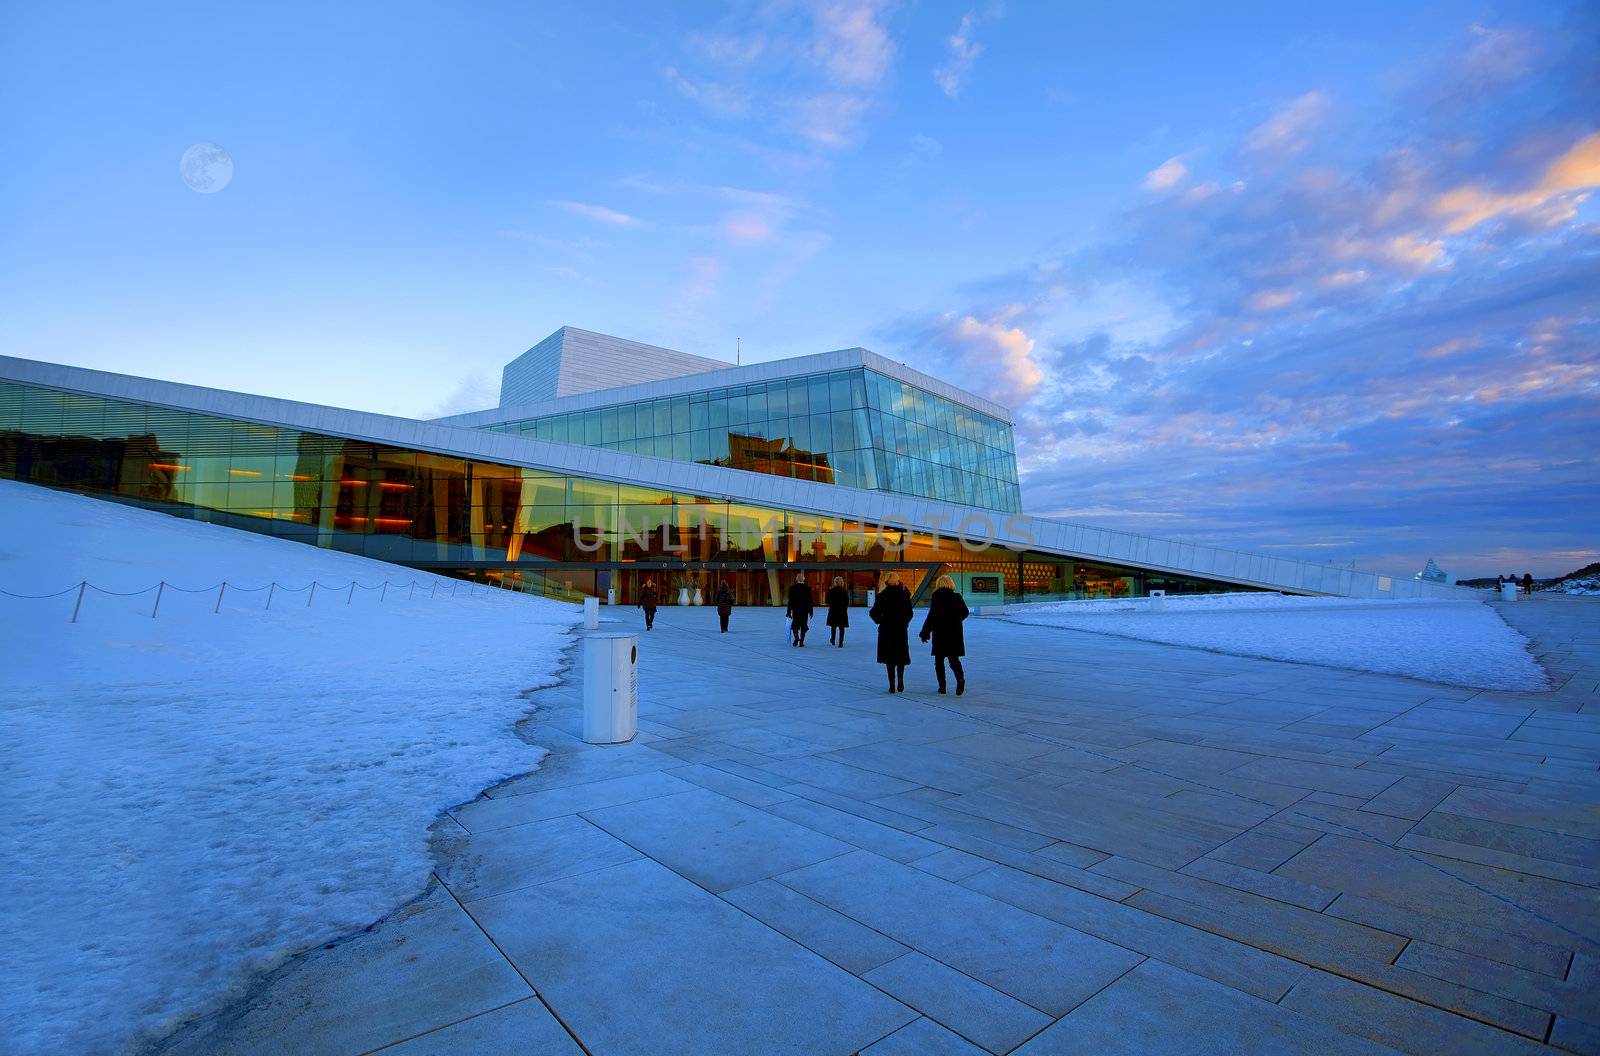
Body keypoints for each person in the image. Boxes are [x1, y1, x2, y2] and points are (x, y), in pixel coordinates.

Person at [919, 574, 969, 695]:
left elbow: (931, 616)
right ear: (951, 584)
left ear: (939, 584)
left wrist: (925, 632)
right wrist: (956, 620)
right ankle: (960, 681)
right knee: (954, 660)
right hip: (954, 633)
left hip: (940, 633)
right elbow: (965, 612)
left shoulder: (937, 598)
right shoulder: (957, 597)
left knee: (939, 661)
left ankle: (942, 687)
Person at [869, 571, 913, 692]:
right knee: (900, 656)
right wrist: (905, 623)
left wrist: (880, 620)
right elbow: (909, 613)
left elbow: (873, 613)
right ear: (897, 580)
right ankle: (900, 681)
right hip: (900, 629)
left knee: (889, 658)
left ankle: (892, 685)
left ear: (886, 581)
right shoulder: (904, 595)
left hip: (886, 630)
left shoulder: (882, 595)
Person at [787, 572, 814, 647]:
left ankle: (796, 638)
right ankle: (801, 642)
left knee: (795, 624)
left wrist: (789, 611)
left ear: (796, 579)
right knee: (803, 625)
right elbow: (810, 601)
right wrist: (811, 611)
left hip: (796, 609)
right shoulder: (807, 588)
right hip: (805, 610)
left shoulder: (792, 588)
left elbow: (790, 601)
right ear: (803, 579)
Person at [826, 575, 850, 647]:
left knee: (833, 626)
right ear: (842, 582)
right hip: (842, 611)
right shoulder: (844, 591)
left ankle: (833, 639)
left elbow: (827, 601)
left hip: (833, 610)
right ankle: (841, 642)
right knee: (841, 627)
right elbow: (847, 602)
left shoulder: (831, 591)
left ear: (835, 582)